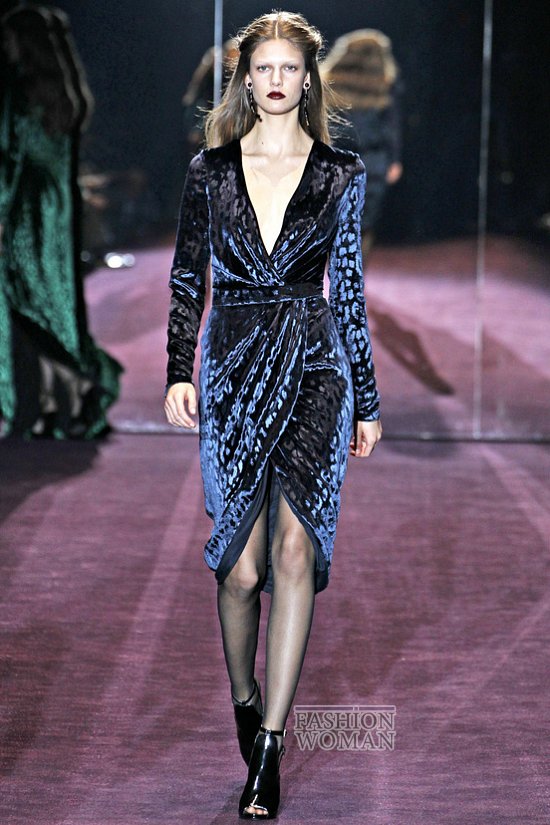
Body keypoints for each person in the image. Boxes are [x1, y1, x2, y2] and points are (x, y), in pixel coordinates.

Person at [164, 11, 382, 819]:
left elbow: (349, 288)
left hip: (315, 365)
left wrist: (367, 397)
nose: (279, 80)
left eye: (292, 67)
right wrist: (177, 369)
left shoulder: (341, 172)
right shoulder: (210, 170)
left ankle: (269, 744)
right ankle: (245, 696)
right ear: (246, 80)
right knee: (241, 569)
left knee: (295, 550)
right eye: (265, 68)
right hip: (231, 368)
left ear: (308, 78)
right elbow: (187, 278)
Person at [0, 5, 122, 438]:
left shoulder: (21, 93)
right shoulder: (67, 96)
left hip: (25, 208)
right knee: (50, 305)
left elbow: (10, 158)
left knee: (25, 305)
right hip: (59, 206)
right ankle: (55, 402)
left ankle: (60, 394)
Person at [322, 29, 403, 264]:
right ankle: (352, 274)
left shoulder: (328, 84)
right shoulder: (384, 87)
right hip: (372, 162)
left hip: (335, 161)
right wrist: (394, 159)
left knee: (334, 219)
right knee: (363, 223)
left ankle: (339, 270)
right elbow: (391, 127)